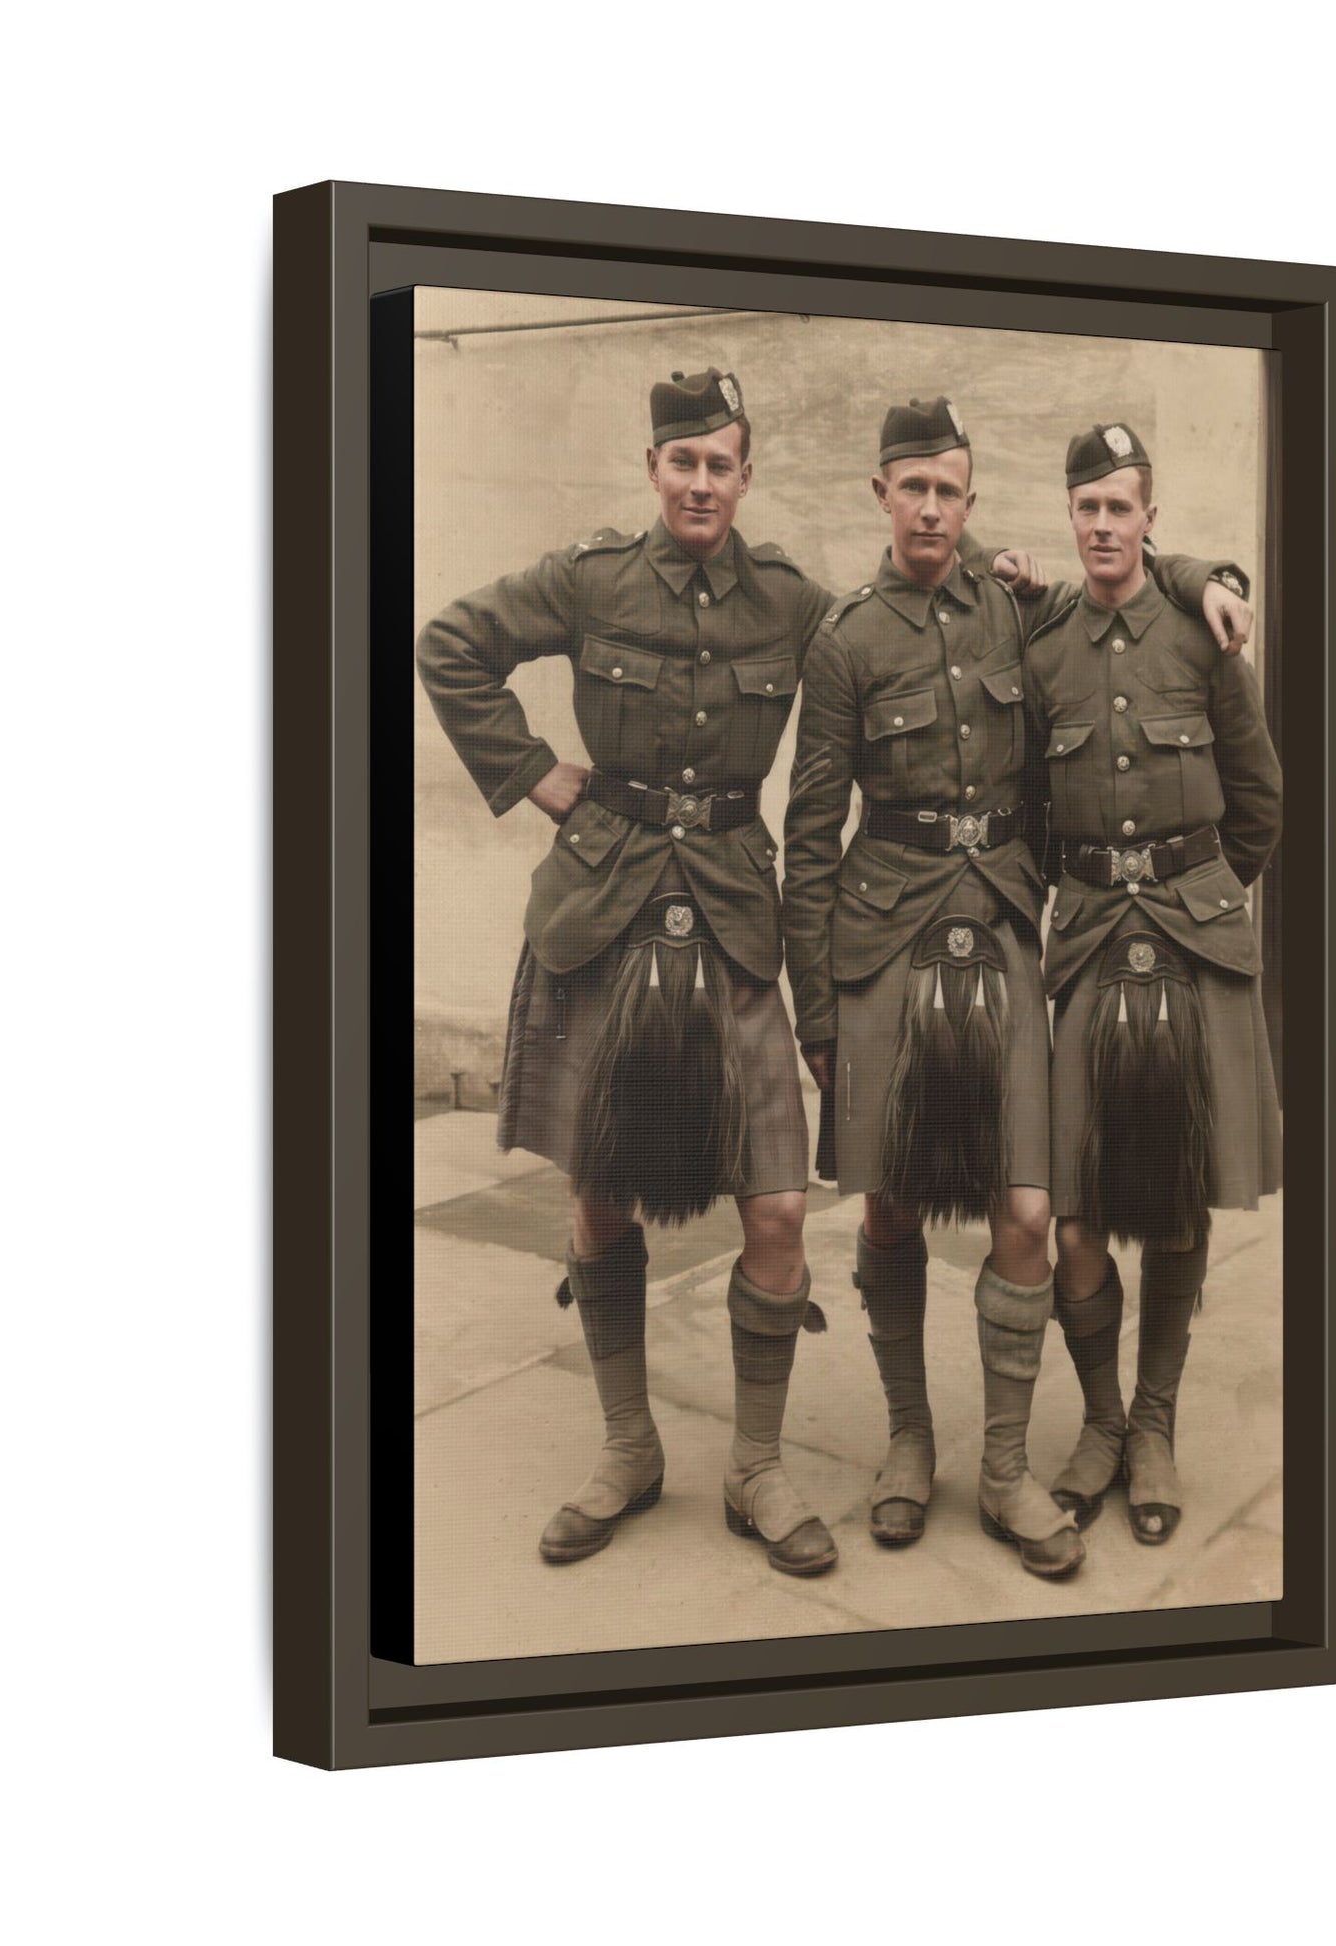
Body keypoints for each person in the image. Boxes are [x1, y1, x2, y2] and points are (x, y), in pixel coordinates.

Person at [415, 368, 1043, 1580]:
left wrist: (997, 561)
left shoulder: (794, 602)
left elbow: (906, 602)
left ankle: (756, 1463)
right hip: (601, 911)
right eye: (681, 463)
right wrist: (532, 772)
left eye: (719, 465)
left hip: (733, 915)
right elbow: (450, 644)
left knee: (775, 1206)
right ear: (653, 469)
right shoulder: (588, 579)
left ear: (747, 477)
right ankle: (627, 1444)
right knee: (597, 1195)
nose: (700, 484)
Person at [782, 397, 1254, 1578]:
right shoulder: (843, 638)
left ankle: (1002, 1469)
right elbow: (808, 835)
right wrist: (816, 1008)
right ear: (882, 493)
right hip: (882, 933)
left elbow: (1129, 580)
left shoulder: (1014, 605)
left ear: (972, 501)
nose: (929, 507)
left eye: (948, 488)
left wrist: (1206, 572)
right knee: (888, 1204)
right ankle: (908, 1439)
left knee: (1034, 1211)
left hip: (1000, 926)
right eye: (911, 486)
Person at [1023, 420, 1283, 1546]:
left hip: (1189, 941)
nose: (1101, 526)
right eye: (1085, 507)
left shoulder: (1202, 634)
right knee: (1076, 1209)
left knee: (1177, 1201)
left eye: (1119, 507)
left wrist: (1202, 896)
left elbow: (1258, 800)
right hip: (1088, 942)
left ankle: (1155, 1427)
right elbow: (1032, 814)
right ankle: (1100, 1423)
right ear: (1069, 515)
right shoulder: (1043, 648)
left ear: (1147, 518)